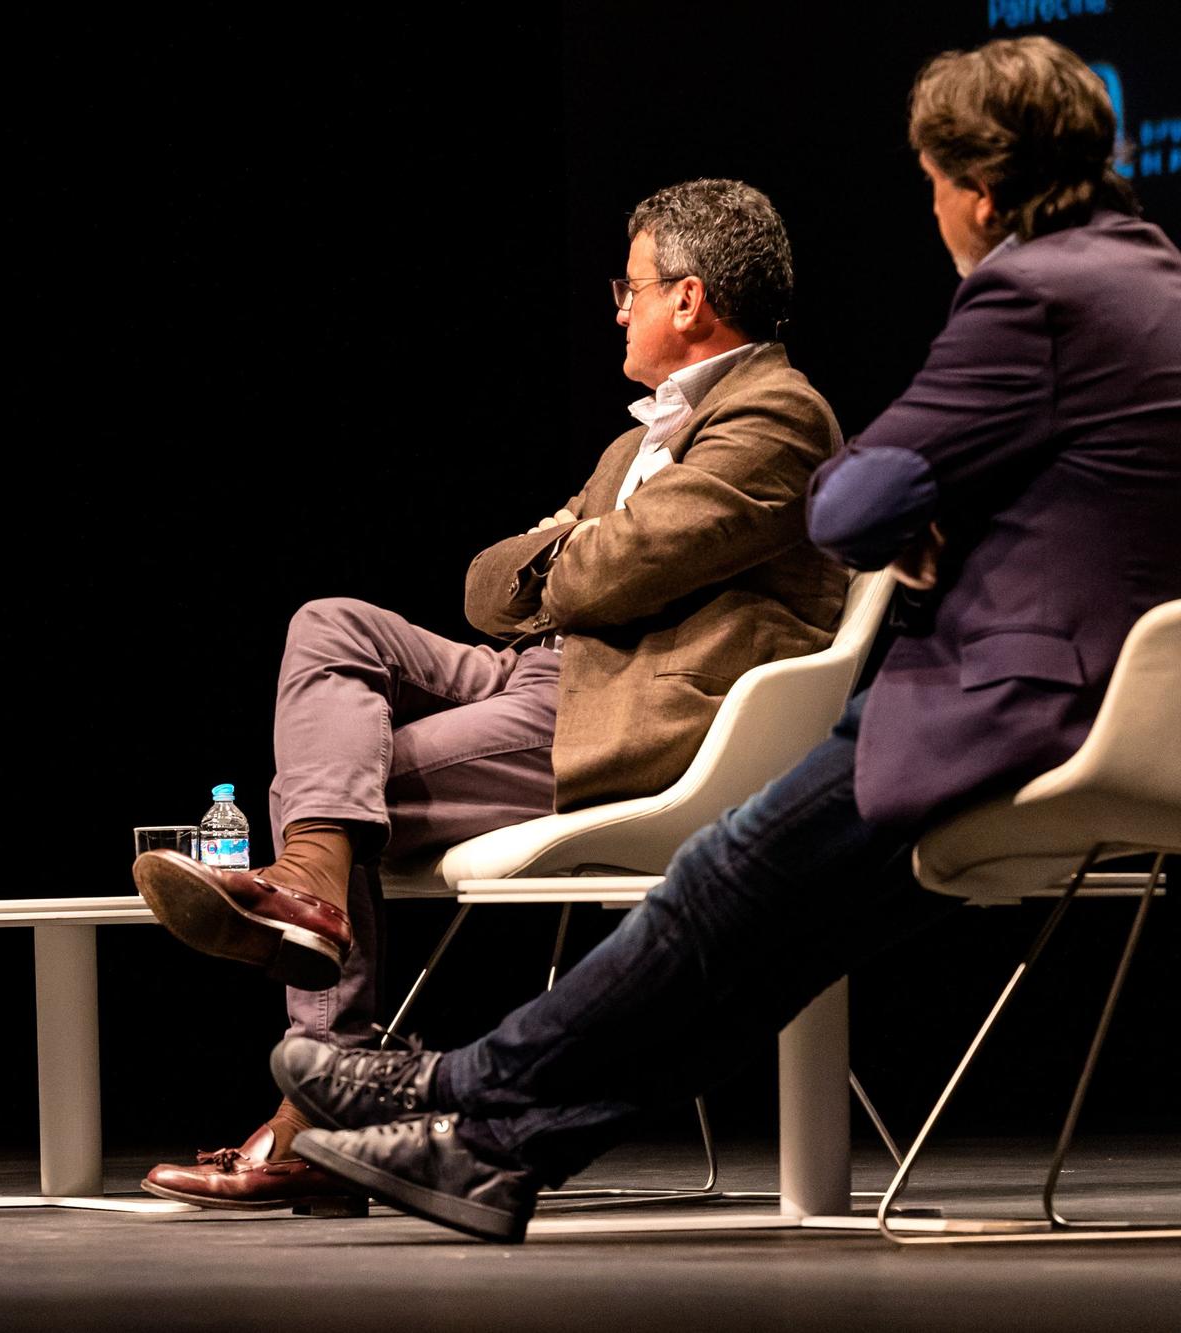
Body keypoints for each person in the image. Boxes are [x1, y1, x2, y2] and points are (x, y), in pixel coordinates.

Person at [273, 34, 1181, 1243]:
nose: (933, 215)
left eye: (927, 186)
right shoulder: (1154, 269)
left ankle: (456, 1086)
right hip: (1112, 695)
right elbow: (512, 581)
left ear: (973, 188)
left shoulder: (1029, 292)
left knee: (720, 894)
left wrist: (928, 510)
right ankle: (497, 1148)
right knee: (763, 948)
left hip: (1014, 697)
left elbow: (848, 507)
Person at [132, 180, 851, 1210]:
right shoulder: (631, 443)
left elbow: (619, 567)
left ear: (688, 300)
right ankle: (313, 896)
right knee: (329, 623)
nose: (616, 306)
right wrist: (571, 553)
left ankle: (313, 1084)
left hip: (623, 708)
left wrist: (564, 547)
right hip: (549, 670)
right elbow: (483, 585)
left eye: (630, 286)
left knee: (331, 787)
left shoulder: (776, 414)